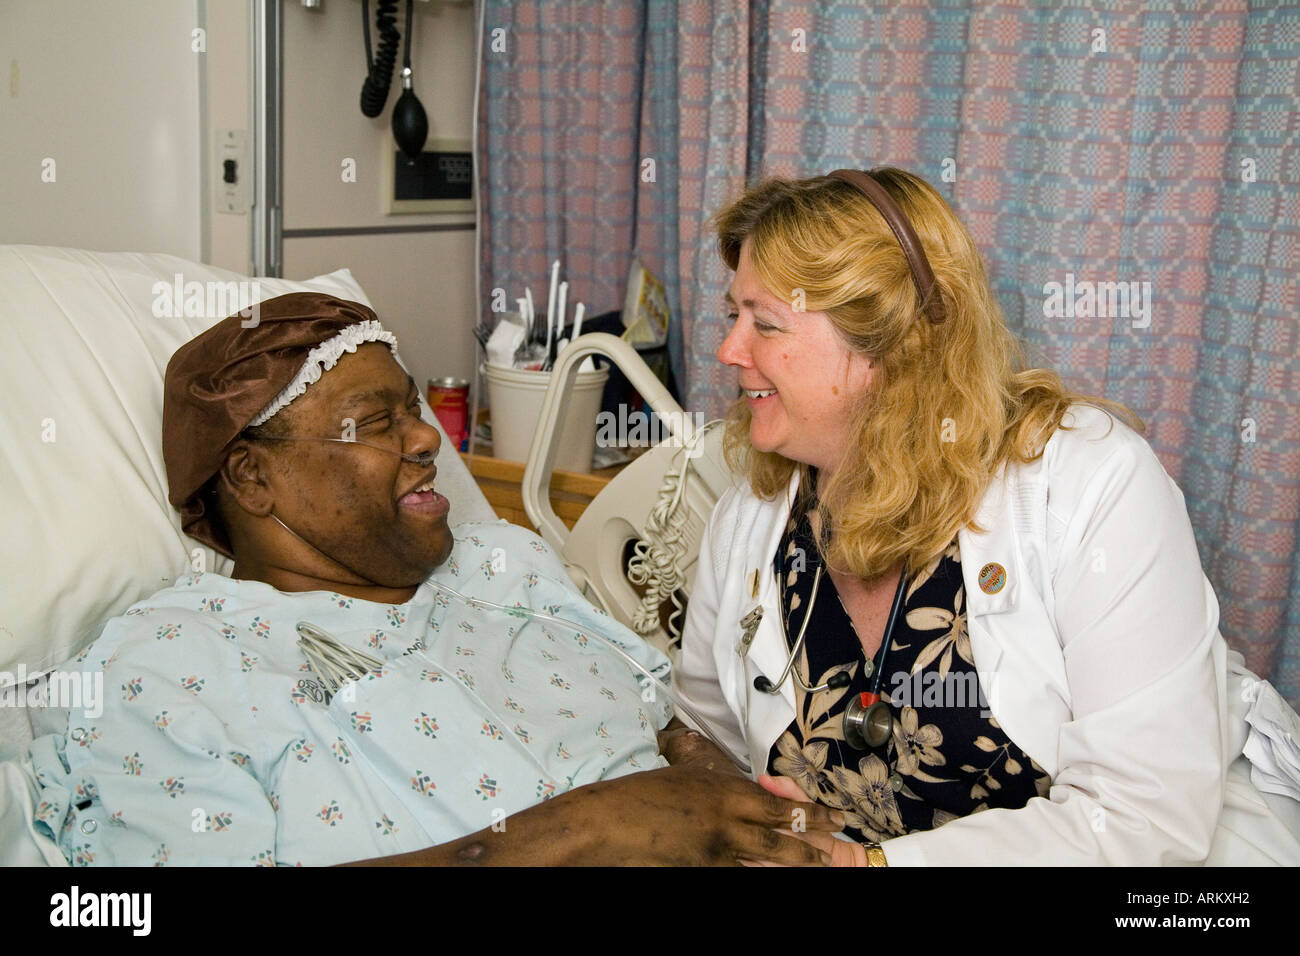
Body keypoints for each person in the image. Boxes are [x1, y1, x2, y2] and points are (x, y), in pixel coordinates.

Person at [28, 292, 841, 866]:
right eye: (377, 422)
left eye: (412, 407)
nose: (424, 438)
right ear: (251, 478)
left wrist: (710, 778)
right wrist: (580, 834)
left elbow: (653, 716)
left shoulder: (503, 565)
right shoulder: (171, 667)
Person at [674, 167, 1300, 866]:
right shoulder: (751, 522)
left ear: (895, 344)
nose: (730, 350)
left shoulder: (1090, 484)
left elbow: (1142, 818)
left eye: (765, 323)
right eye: (733, 316)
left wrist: (870, 865)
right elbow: (700, 730)